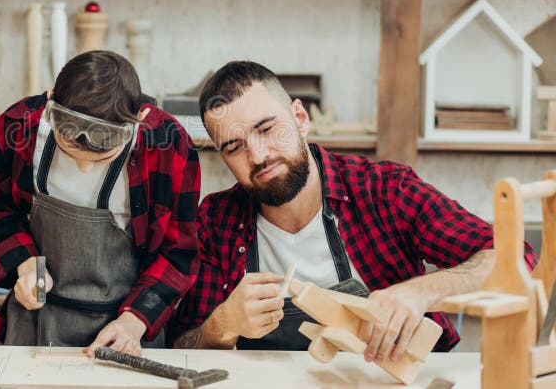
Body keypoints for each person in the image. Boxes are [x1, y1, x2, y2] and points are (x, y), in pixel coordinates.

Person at [169, 61, 536, 363]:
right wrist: (220, 327)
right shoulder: (215, 221)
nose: (259, 155)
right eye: (235, 147)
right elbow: (178, 349)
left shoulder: (383, 190)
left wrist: (421, 292)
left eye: (267, 129)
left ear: (299, 118)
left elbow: (514, 258)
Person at [0, 50, 200, 356]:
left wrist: (135, 320)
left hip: (125, 329)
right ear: (51, 99)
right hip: (36, 321)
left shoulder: (168, 145)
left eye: (101, 157)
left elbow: (178, 254)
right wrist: (27, 265)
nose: (83, 167)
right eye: (70, 148)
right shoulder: (19, 126)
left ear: (139, 120)